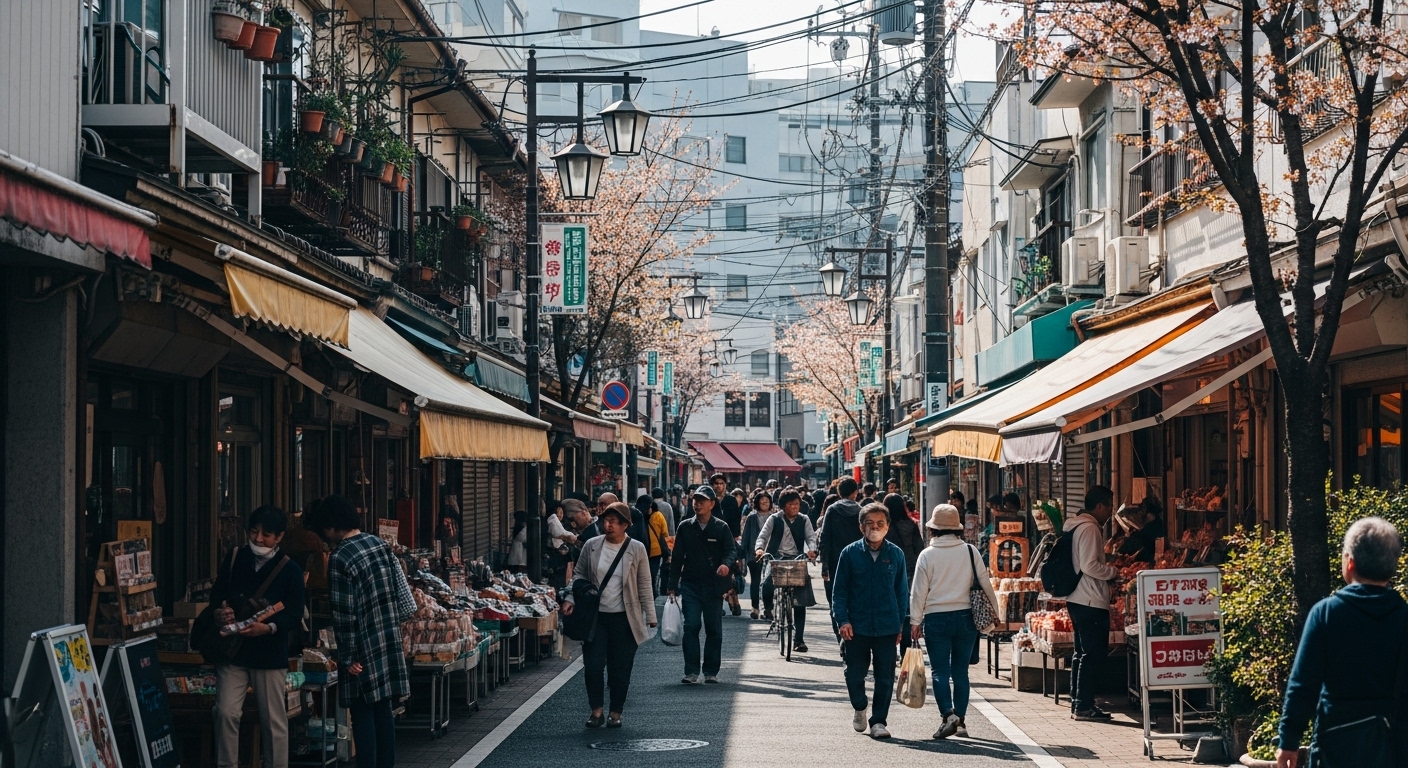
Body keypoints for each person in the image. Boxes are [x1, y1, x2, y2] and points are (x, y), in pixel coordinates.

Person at [1275, 517, 1408, 768]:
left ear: (1350, 562)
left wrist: (1288, 741)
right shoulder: (1403, 617)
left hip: (1335, 744)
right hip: (1394, 745)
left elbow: (1303, 685)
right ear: (1392, 568)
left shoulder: (1327, 613)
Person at [305, 495, 415, 768]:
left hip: (362, 648)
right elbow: (405, 602)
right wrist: (385, 621)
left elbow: (344, 615)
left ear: (330, 527)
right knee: (383, 709)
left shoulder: (341, 557)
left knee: (362, 711)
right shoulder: (379, 544)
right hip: (387, 639)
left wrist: (348, 656)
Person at [211, 505, 306, 768]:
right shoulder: (233, 558)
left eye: (266, 534)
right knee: (225, 711)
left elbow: (294, 614)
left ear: (280, 537)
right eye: (254, 531)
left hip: (268, 653)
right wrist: (221, 611)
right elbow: (216, 595)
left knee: (273, 720)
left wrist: (268, 628)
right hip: (234, 650)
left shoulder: (290, 570)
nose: (258, 539)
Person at [563, 502, 658, 729]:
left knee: (620, 668)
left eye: (614, 521)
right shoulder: (592, 546)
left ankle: (616, 712)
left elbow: (645, 582)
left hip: (625, 619)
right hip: (596, 618)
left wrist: (651, 615)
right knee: (593, 666)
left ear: (625, 525)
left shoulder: (637, 549)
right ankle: (596, 711)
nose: (608, 525)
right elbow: (579, 575)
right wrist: (570, 598)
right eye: (605, 520)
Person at [910, 503, 999, 740]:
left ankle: (947, 715)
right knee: (960, 672)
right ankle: (960, 720)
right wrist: (995, 614)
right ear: (957, 528)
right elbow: (986, 584)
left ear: (933, 529)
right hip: (966, 617)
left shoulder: (927, 555)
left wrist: (915, 621)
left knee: (939, 670)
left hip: (936, 618)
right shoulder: (970, 551)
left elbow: (918, 592)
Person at [831, 503, 908, 740]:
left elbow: (902, 592)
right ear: (861, 526)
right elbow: (839, 592)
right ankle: (860, 705)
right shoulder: (849, 553)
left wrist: (900, 626)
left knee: (885, 676)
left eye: (880, 524)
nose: (875, 528)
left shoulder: (896, 554)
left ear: (887, 526)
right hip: (856, 626)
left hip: (886, 625)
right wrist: (842, 620)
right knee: (854, 673)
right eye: (870, 524)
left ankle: (879, 722)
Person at [666, 485, 738, 684]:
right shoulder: (685, 527)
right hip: (690, 583)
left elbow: (731, 551)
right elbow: (678, 556)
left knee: (713, 628)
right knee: (692, 626)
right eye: (695, 500)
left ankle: (711, 671)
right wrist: (672, 583)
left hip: (714, 585)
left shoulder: (721, 527)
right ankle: (691, 671)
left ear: (712, 504)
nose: (697, 504)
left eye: (702, 500)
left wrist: (725, 564)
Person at [1065, 485, 1119, 721]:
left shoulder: (1077, 526)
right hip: (1089, 599)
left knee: (1081, 652)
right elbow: (1089, 565)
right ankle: (1083, 705)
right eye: (1108, 506)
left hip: (1078, 598)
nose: (1110, 512)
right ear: (1098, 506)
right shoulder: (1089, 529)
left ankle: (1078, 701)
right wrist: (1112, 572)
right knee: (1091, 654)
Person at [755, 488, 818, 652]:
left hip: (797, 558)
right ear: (783, 506)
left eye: (797, 504)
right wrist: (760, 549)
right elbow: (762, 536)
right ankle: (768, 608)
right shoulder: (774, 519)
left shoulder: (804, 520)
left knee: (800, 599)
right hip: (776, 558)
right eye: (791, 504)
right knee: (767, 583)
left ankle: (799, 640)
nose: (794, 507)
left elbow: (811, 538)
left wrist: (812, 550)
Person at [884, 493, 924, 656]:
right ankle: (906, 651)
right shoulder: (911, 525)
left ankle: (889, 649)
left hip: (888, 570)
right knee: (906, 612)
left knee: (890, 609)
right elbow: (919, 549)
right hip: (909, 570)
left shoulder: (885, 528)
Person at [820, 478, 864, 613]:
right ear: (855, 492)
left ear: (839, 492)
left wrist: (824, 564)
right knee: (856, 593)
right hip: (857, 558)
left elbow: (824, 537)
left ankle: (838, 624)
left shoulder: (832, 510)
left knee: (836, 593)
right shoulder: (861, 511)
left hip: (835, 559)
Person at [710, 474, 744, 617]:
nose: (719, 486)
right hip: (712, 541)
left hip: (729, 539)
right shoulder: (708, 500)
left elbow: (736, 520)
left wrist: (735, 536)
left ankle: (733, 598)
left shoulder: (730, 500)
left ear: (725, 485)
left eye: (721, 483)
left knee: (731, 571)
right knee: (715, 572)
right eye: (716, 483)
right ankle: (722, 601)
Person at [740, 491, 776, 619]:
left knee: (768, 582)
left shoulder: (775, 517)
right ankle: (755, 607)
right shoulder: (751, 517)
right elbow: (745, 537)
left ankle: (768, 609)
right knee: (755, 581)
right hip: (753, 553)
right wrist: (742, 555)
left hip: (770, 554)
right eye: (762, 501)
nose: (764, 503)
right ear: (757, 503)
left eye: (766, 501)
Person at [1117, 497, 1167, 565]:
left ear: (1149, 513)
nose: (1140, 513)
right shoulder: (1148, 527)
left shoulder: (1152, 528)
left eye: (1143, 509)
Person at [639, 493, 670, 593]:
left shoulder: (657, 516)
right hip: (644, 552)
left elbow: (665, 535)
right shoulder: (640, 517)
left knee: (651, 575)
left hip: (654, 552)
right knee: (646, 576)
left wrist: (668, 553)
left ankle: (652, 594)